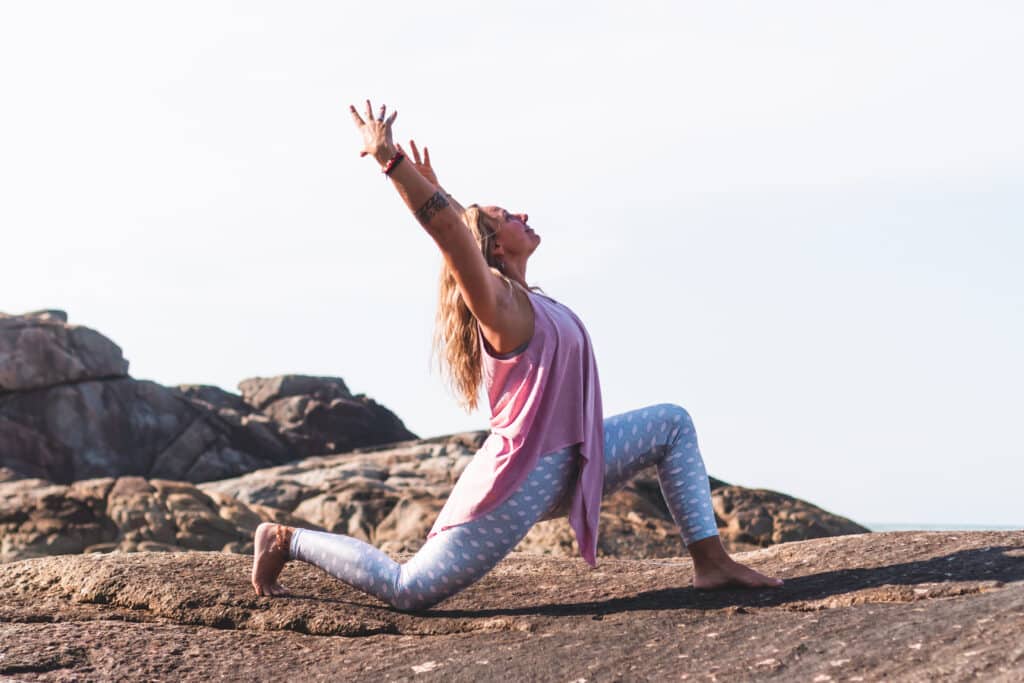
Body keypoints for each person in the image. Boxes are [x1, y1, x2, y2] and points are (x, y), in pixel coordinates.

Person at [251, 100, 783, 610]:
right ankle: (286, 538)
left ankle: (710, 563)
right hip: (522, 477)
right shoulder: (497, 302)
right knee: (408, 588)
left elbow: (465, 222)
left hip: (577, 456)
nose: (523, 214)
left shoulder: (529, 294)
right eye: (509, 216)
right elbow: (451, 232)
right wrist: (391, 162)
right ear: (498, 247)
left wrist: (438, 187)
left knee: (672, 423)